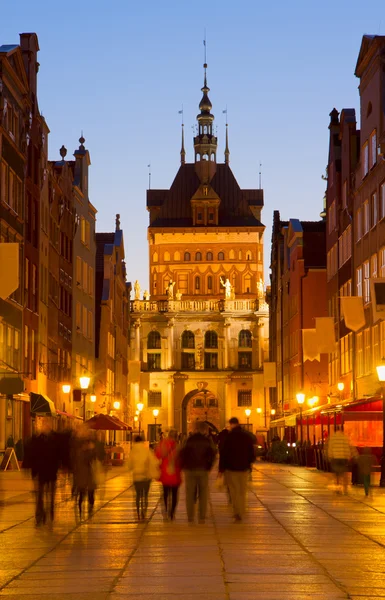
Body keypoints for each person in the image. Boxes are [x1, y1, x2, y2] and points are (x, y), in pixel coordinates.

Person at [219, 417, 255, 522]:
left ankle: (237, 512)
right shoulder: (246, 436)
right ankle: (241, 511)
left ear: (231, 424)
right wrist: (249, 464)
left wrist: (221, 469)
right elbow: (251, 453)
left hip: (231, 469)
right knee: (242, 491)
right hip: (243, 468)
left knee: (234, 491)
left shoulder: (229, 437)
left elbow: (223, 454)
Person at [179, 421, 216, 524]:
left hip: (190, 470)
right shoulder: (207, 441)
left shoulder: (188, 440)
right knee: (203, 494)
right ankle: (202, 517)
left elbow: (182, 453)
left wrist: (184, 466)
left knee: (190, 494)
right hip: (203, 470)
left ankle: (190, 517)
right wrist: (209, 466)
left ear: (195, 429)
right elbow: (213, 454)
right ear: (204, 430)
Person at [23, 423, 61, 525]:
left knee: (49, 494)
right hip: (41, 472)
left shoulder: (54, 440)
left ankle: (49, 509)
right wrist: (32, 470)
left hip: (50, 472)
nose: (43, 427)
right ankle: (40, 513)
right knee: (40, 495)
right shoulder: (36, 440)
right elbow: (31, 455)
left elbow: (58, 456)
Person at [127, 435, 160, 520]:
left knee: (138, 496)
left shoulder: (132, 452)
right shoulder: (147, 450)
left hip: (137, 477)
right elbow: (153, 461)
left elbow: (129, 465)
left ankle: (138, 513)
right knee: (145, 495)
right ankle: (144, 511)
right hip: (146, 477)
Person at [155, 429, 182, 521]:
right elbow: (181, 460)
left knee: (165, 493)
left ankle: (165, 510)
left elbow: (157, 455)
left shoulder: (162, 444)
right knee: (174, 494)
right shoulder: (178, 446)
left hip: (165, 472)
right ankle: (172, 513)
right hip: (175, 472)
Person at [73, 432, 97, 515]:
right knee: (87, 492)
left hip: (83, 476)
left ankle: (81, 508)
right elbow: (90, 459)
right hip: (85, 475)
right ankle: (86, 507)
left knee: (84, 492)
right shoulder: (85, 453)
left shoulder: (79, 452)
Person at [327, 427, 352, 494]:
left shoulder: (332, 438)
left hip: (335, 458)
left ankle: (337, 487)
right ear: (342, 430)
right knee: (344, 473)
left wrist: (330, 456)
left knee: (336, 474)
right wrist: (348, 456)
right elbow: (347, 448)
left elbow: (330, 448)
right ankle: (345, 488)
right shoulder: (345, 437)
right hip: (343, 458)